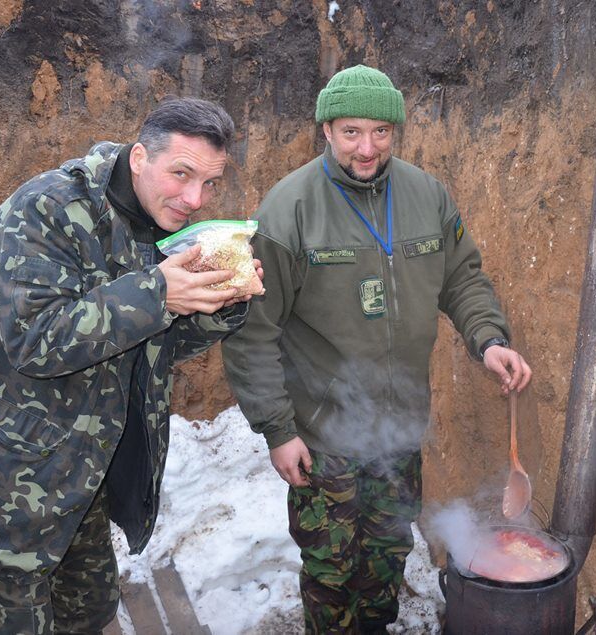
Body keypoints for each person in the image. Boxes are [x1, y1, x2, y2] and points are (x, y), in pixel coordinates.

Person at [0, 97, 261, 634]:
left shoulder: (155, 220)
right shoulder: (44, 210)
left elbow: (150, 344)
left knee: (89, 612)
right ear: (140, 156)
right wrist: (160, 292)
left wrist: (223, 302)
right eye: (182, 174)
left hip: (80, 476)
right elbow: (36, 339)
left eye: (209, 183)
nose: (194, 199)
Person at [221, 65, 532, 634]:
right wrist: (277, 429)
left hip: (401, 429)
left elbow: (462, 279)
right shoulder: (287, 210)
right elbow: (252, 331)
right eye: (352, 132)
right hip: (323, 436)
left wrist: (488, 340)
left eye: (381, 132)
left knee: (386, 561)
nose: (368, 148)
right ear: (326, 130)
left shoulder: (426, 195)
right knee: (332, 572)